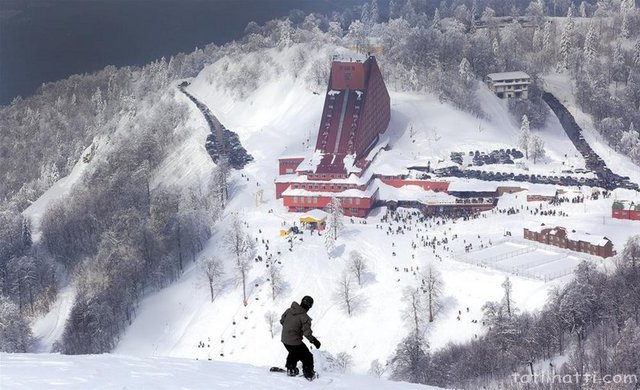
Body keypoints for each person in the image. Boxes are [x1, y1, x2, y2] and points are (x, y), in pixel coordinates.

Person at [280, 295, 321, 380]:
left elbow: (282, 321)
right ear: (310, 306)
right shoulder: (304, 318)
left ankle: (291, 369)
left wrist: (290, 328)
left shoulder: (288, 310)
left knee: (294, 351)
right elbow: (307, 333)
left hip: (284, 339)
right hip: (294, 340)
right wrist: (314, 341)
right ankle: (309, 374)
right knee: (307, 356)